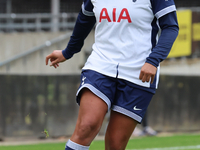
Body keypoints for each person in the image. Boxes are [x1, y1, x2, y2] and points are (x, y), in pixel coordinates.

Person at [45, 0, 179, 149]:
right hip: (100, 66)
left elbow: (171, 27)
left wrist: (153, 60)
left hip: (139, 72)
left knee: (115, 144)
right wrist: (68, 52)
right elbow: (84, 19)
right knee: (87, 126)